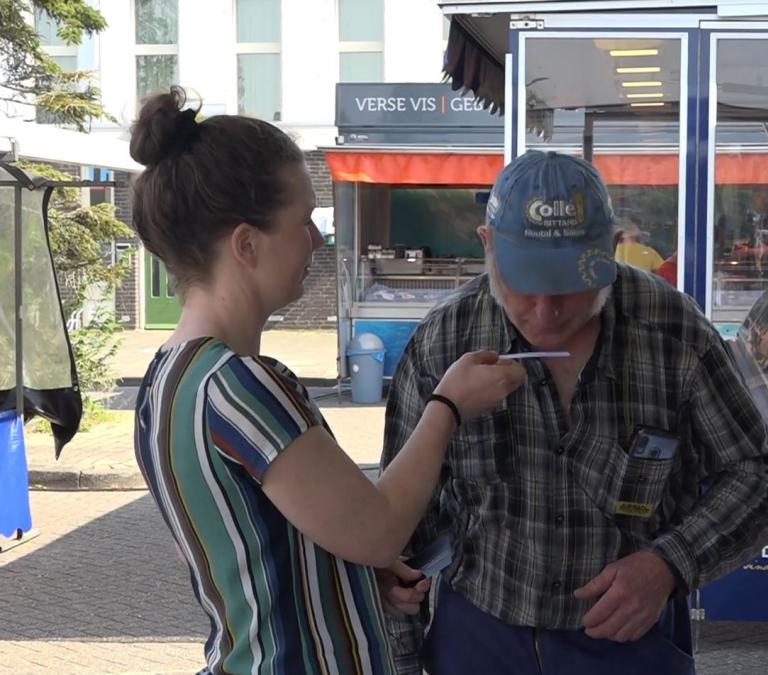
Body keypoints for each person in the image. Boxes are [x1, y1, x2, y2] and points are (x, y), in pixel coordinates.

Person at [128, 87, 526, 674]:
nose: (316, 241)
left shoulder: (167, 378)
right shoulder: (244, 387)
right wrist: (447, 405)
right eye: (303, 222)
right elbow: (378, 531)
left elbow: (269, 541)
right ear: (246, 244)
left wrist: (346, 578)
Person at [378, 150, 768, 674]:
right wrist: (400, 655)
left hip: (628, 636)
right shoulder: (444, 340)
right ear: (487, 246)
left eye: (570, 285)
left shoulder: (674, 334)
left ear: (613, 247)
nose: (547, 312)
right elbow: (397, 526)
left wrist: (670, 563)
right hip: (479, 633)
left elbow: (760, 474)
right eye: (525, 284)